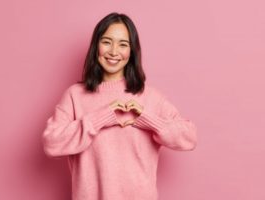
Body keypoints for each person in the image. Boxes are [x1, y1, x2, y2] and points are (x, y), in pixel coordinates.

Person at [42, 12, 197, 200]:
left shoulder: (149, 97)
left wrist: (146, 119)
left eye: (123, 44)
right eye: (107, 41)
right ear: (96, 46)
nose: (114, 51)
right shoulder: (75, 95)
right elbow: (51, 143)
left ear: (131, 52)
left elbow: (189, 137)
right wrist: (101, 117)